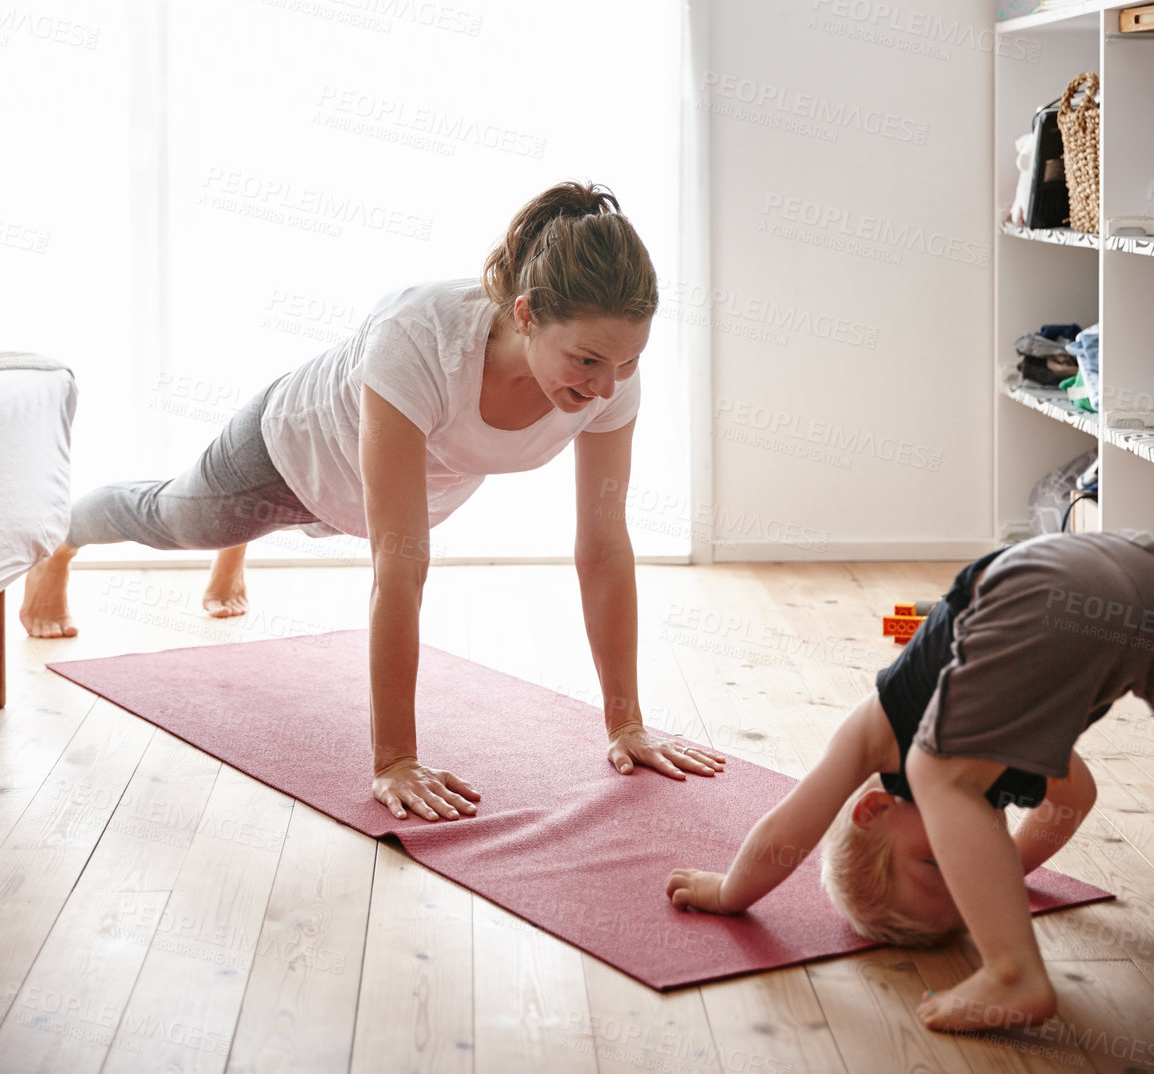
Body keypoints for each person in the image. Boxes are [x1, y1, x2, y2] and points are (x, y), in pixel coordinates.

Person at [22, 181, 725, 819]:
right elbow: (401, 564)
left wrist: (626, 722)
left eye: (628, 360)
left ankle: (241, 544)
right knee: (176, 519)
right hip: (285, 455)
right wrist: (395, 759)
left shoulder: (607, 374)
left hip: (381, 493)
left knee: (352, 524)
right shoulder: (420, 337)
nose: (608, 387)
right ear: (527, 314)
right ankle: (58, 536)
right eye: (589, 362)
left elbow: (602, 545)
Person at [665, 529, 1154, 1035]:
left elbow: (790, 827)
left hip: (1046, 585)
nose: (966, 865)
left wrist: (729, 892)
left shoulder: (878, 734)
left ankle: (1012, 972)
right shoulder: (1007, 736)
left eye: (937, 863)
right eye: (964, 884)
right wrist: (999, 878)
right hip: (1137, 573)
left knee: (934, 769)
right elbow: (1075, 797)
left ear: (873, 809)